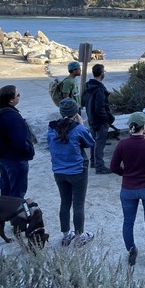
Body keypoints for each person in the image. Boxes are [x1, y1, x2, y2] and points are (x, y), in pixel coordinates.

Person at [110, 112, 145, 266]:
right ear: (144, 126)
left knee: (128, 222)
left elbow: (113, 167)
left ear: (130, 127)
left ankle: (132, 250)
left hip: (128, 188)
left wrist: (126, 174)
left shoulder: (122, 144)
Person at [47, 98, 96, 247]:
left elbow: (50, 144)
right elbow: (90, 142)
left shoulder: (51, 128)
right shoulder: (78, 129)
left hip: (59, 171)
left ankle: (66, 235)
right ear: (76, 112)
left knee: (65, 202)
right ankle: (80, 236)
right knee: (78, 203)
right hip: (77, 171)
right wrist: (81, 125)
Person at [0, 85, 35, 198]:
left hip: (1, 156)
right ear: (11, 99)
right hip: (15, 159)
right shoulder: (12, 116)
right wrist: (29, 151)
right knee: (17, 192)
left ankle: (4, 212)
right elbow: (19, 142)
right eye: (18, 95)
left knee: (6, 187)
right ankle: (13, 213)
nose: (19, 96)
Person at [82, 64, 115, 174]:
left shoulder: (88, 86)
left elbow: (83, 102)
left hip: (91, 118)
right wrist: (107, 118)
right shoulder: (99, 89)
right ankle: (99, 166)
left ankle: (93, 162)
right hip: (100, 120)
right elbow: (100, 107)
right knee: (100, 143)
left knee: (93, 141)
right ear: (102, 73)